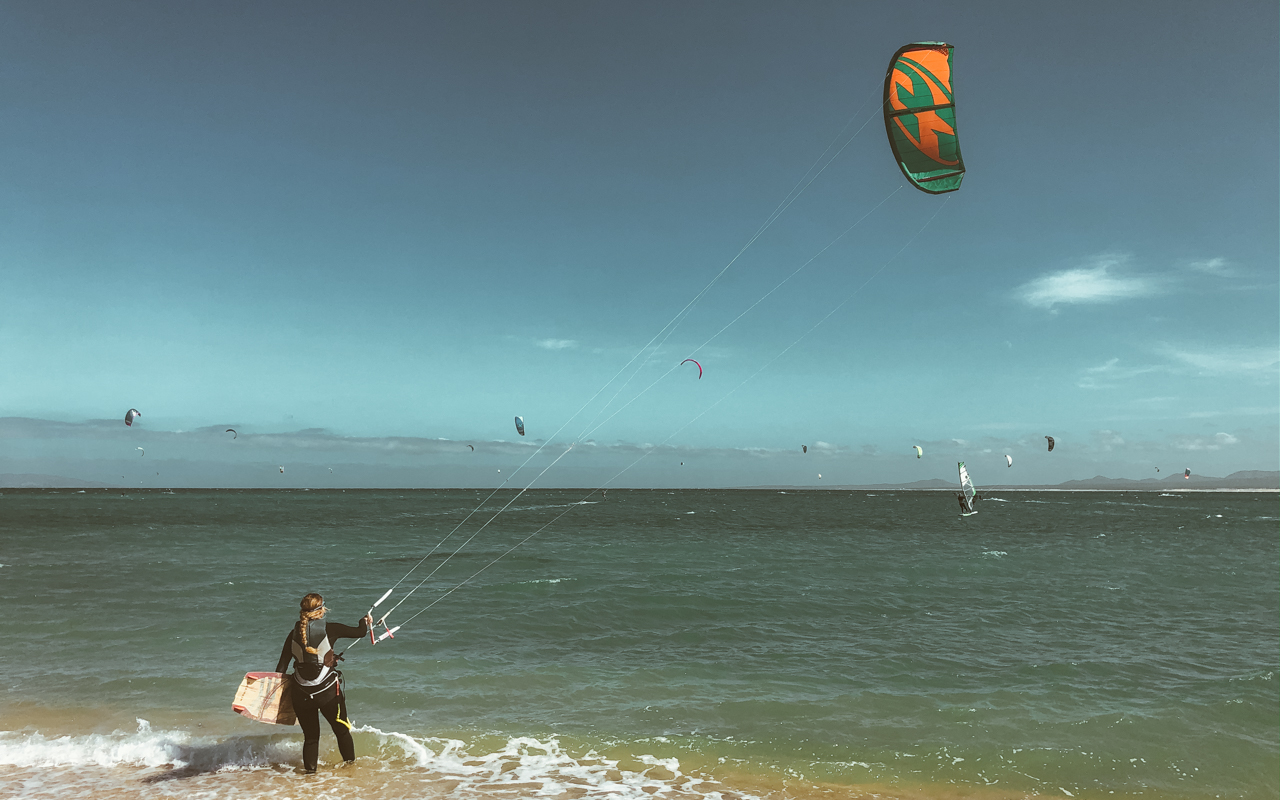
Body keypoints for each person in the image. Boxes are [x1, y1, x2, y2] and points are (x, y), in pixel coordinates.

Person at [275, 593, 372, 773]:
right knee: (342, 731)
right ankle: (351, 771)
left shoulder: (294, 633)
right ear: (321, 609)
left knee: (311, 738)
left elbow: (281, 667)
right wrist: (364, 620)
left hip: (300, 695)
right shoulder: (330, 629)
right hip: (327, 694)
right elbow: (360, 632)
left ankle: (310, 777)